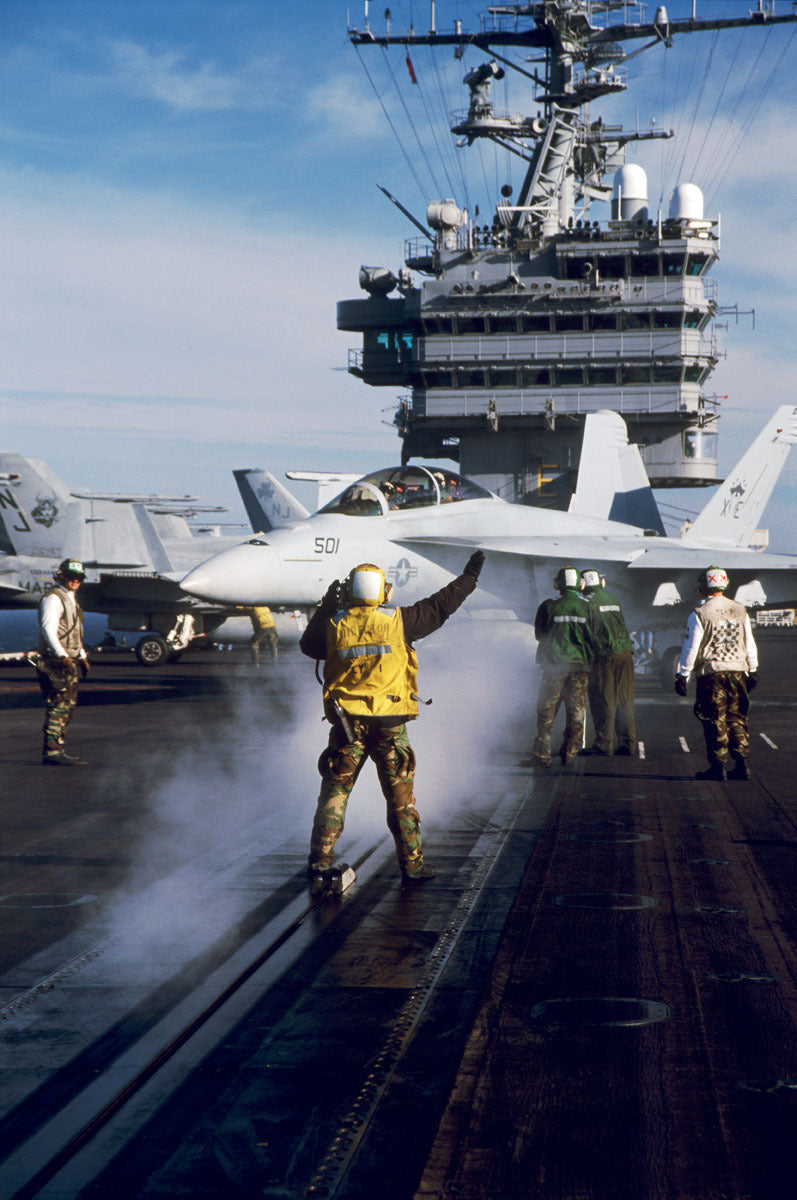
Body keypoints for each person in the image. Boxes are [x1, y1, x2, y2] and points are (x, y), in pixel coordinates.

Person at [300, 552, 484, 883]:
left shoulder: (333, 625)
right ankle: (412, 866)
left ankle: (319, 863)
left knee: (334, 795)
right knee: (400, 800)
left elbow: (308, 645)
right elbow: (441, 606)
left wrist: (328, 605)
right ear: (384, 592)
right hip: (389, 725)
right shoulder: (401, 621)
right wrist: (468, 578)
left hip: (347, 726)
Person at [674, 565, 758, 781]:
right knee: (737, 717)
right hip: (738, 672)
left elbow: (692, 647)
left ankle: (718, 766)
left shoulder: (700, 613)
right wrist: (753, 669)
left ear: (704, 586)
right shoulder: (740, 610)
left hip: (712, 674)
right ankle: (742, 764)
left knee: (715, 720)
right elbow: (749, 643)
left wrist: (683, 674)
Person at [531, 565, 596, 768]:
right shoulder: (588, 608)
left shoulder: (548, 607)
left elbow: (539, 635)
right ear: (579, 584)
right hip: (579, 667)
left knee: (546, 711)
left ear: (558, 585)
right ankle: (569, 752)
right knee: (576, 712)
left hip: (554, 667)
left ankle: (542, 754)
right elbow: (594, 637)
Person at [34, 558, 90, 766]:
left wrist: (81, 655)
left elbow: (74, 631)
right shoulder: (54, 599)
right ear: (61, 576)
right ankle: (52, 751)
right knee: (58, 706)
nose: (75, 580)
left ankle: (58, 748)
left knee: (67, 706)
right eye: (71, 577)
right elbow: (48, 631)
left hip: (69, 660)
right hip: (56, 662)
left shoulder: (70, 598)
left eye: (79, 578)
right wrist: (62, 655)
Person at [580, 568, 636, 756]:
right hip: (625, 654)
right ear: (601, 582)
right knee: (624, 700)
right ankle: (628, 743)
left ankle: (603, 745)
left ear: (583, 584)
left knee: (603, 699)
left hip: (604, 656)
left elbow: (586, 633)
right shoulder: (613, 599)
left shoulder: (586, 603)